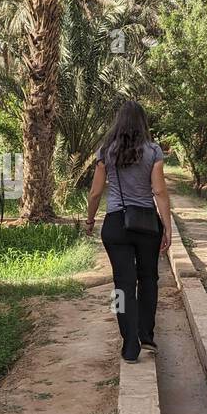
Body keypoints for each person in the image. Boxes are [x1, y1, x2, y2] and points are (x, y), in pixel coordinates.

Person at [84, 100, 172, 363]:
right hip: (146, 224)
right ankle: (146, 336)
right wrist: (166, 226)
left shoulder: (106, 152)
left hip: (115, 225)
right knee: (148, 279)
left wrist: (90, 220)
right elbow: (159, 191)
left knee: (122, 286)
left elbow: (96, 192)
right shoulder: (153, 151)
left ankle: (129, 344)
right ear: (143, 123)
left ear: (118, 123)